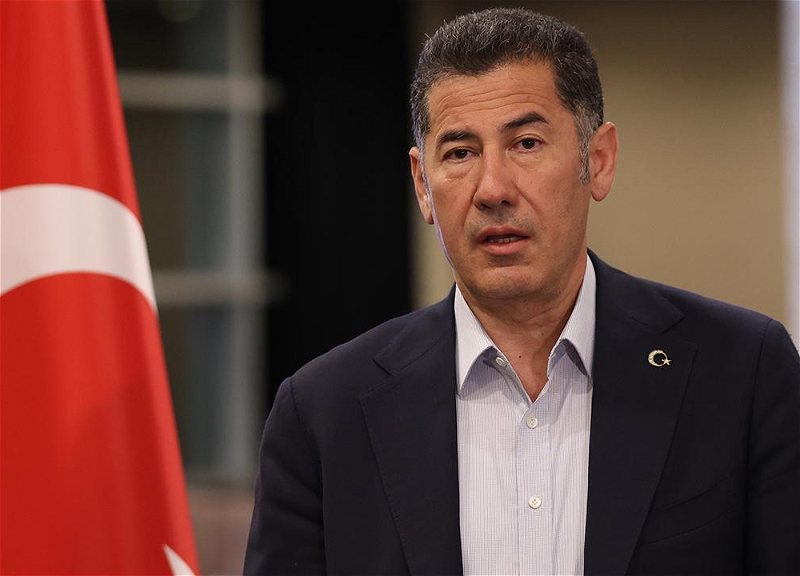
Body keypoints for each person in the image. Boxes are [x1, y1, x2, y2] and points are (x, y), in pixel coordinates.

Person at [244, 8, 800, 575]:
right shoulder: (322, 414)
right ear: (423, 186)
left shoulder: (744, 373)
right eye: (460, 153)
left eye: (527, 143)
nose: (493, 189)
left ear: (598, 160)